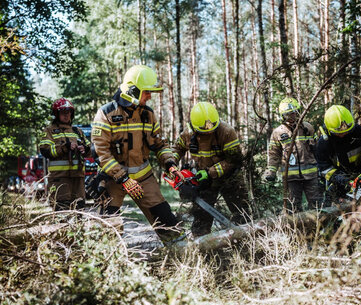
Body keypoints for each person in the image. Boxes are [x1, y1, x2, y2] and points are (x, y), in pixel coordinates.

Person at [90, 64, 184, 246]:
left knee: (167, 220)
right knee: (108, 227)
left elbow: (159, 145)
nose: (150, 96)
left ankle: (181, 256)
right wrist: (123, 179)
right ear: (133, 91)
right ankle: (110, 265)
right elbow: (102, 153)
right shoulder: (106, 113)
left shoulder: (148, 114)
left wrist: (170, 164)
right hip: (114, 180)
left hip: (143, 178)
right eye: (146, 92)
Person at [171, 101, 249, 237]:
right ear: (194, 127)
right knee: (201, 218)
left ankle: (247, 242)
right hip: (204, 179)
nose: (209, 134)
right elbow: (177, 149)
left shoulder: (226, 132)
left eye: (212, 130)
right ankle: (201, 248)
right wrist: (171, 165)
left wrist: (209, 172)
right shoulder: (188, 133)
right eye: (204, 132)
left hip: (230, 177)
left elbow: (234, 160)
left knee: (241, 213)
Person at [263, 97, 322, 211]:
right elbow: (274, 154)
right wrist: (271, 171)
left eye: (293, 113)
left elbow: (317, 149)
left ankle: (318, 227)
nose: (291, 116)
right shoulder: (278, 133)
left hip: (311, 175)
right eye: (287, 114)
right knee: (293, 207)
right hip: (291, 177)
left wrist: (322, 168)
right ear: (282, 116)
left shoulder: (308, 128)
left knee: (316, 204)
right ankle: (297, 228)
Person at [316, 105, 361, 203]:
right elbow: (325, 168)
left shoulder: (358, 131)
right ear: (330, 130)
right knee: (333, 207)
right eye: (339, 133)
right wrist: (343, 180)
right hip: (339, 180)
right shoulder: (324, 143)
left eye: (347, 131)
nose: (343, 135)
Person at [39, 98, 91, 210]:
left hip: (77, 179)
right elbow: (45, 150)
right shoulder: (49, 131)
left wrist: (84, 149)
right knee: (62, 209)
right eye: (63, 113)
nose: (66, 115)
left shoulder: (77, 131)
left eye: (68, 112)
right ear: (56, 114)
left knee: (79, 208)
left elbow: (90, 150)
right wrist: (65, 147)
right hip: (59, 179)